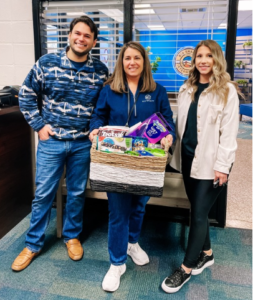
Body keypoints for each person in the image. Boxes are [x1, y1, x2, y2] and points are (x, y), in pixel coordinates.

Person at [11, 16, 108, 271]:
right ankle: (32, 244)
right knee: (43, 194)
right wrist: (39, 126)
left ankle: (71, 236)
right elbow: (26, 94)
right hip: (52, 143)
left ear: (94, 41)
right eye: (78, 33)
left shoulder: (100, 71)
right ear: (69, 35)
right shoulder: (47, 63)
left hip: (81, 145)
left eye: (87, 36)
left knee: (76, 193)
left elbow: (103, 106)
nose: (81, 39)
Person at [89, 41, 176, 292]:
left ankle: (132, 243)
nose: (132, 63)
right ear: (121, 61)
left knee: (138, 207)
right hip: (116, 161)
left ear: (143, 62)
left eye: (137, 58)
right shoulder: (109, 89)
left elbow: (167, 121)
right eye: (127, 58)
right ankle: (117, 263)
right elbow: (98, 116)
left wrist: (168, 135)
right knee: (118, 212)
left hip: (146, 162)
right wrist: (95, 130)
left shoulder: (157, 90)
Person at [161, 40, 241, 293]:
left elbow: (229, 134)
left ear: (217, 59)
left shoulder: (227, 91)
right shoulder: (188, 87)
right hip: (188, 159)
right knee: (198, 208)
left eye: (209, 56)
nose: (203, 60)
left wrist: (223, 167)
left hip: (212, 164)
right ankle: (207, 253)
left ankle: (186, 268)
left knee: (196, 214)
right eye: (199, 56)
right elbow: (180, 122)